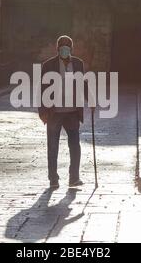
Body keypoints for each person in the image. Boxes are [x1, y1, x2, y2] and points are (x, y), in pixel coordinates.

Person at [39, 35, 89, 189]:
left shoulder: (78, 64)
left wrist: (90, 100)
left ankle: (74, 177)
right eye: (62, 48)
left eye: (67, 48)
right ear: (58, 49)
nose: (65, 50)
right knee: (53, 145)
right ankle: (53, 178)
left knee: (75, 145)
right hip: (55, 112)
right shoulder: (48, 65)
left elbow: (82, 83)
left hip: (72, 112)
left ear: (71, 49)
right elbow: (43, 89)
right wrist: (43, 111)